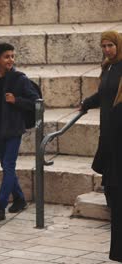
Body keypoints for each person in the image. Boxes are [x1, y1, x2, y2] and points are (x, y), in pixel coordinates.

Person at [0, 43, 39, 220]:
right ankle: (19, 199)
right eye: (6, 57)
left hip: (13, 130)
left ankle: (0, 205)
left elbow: (36, 103)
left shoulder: (20, 79)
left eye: (12, 56)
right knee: (5, 165)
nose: (10, 60)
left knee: (9, 166)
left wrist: (16, 100)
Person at [80, 30, 122, 262]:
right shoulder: (107, 67)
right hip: (108, 139)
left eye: (110, 45)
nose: (107, 49)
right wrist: (86, 103)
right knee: (113, 196)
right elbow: (103, 95)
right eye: (104, 46)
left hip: (120, 139)